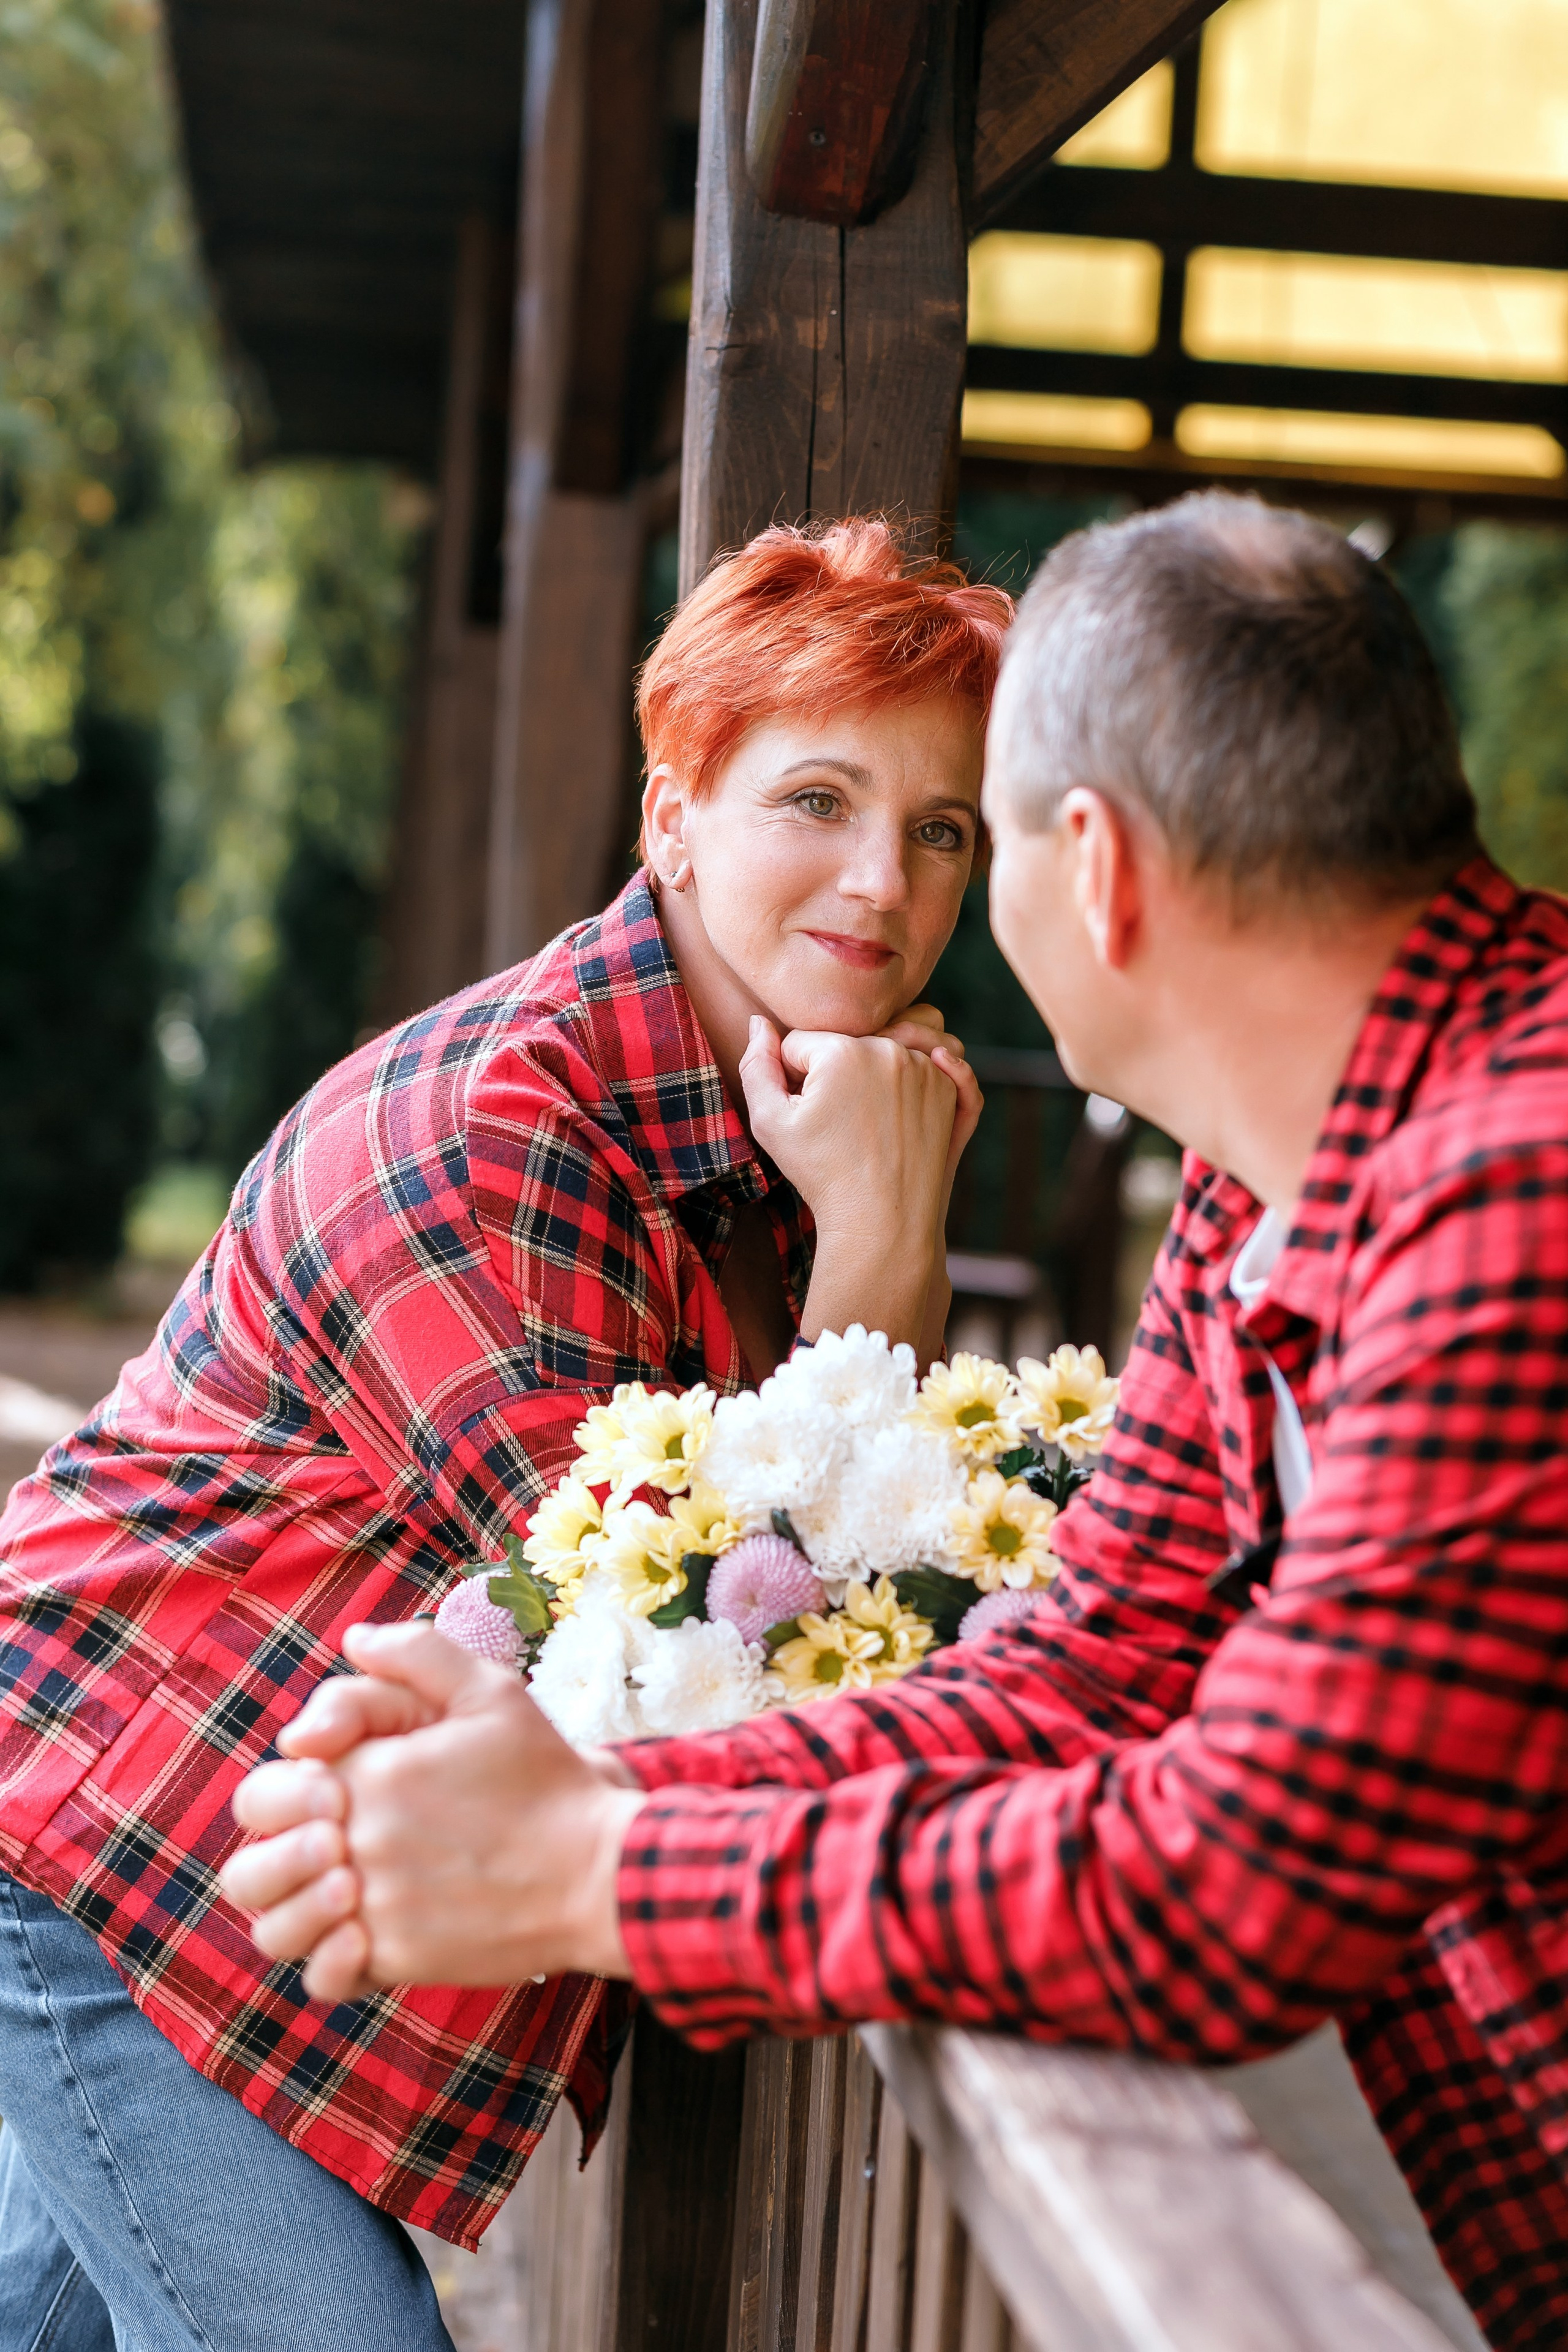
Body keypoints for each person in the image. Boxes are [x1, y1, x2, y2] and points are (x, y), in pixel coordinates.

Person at [232, 491, 1568, 2352]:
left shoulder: (1520, 1191)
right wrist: (597, 1799)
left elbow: (1234, 1877)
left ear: (1086, 871)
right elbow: (1093, 1658)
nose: (914, 899)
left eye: (965, 834)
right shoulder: (1271, 1173)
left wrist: (602, 1871)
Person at [0, 518, 1009, 2352]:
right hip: (103, 1871)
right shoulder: (501, 1132)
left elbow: (846, 1558)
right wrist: (888, 1241)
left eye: (940, 828)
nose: (884, 877)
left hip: (239, 1891)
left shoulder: (761, 1122)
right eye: (817, 799)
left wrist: (864, 1217)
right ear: (672, 818)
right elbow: (689, 1653)